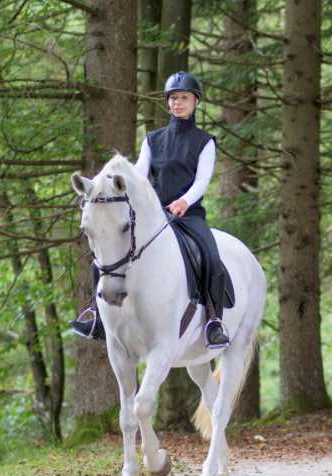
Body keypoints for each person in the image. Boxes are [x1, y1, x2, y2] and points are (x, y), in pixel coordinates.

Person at [70, 71, 230, 349]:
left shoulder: (205, 142)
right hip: (155, 218)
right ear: (168, 103)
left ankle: (214, 322)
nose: (178, 103)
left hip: (189, 216)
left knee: (211, 258)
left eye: (184, 98)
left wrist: (184, 201)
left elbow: (203, 179)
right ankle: (95, 314)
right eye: (174, 98)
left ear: (195, 102)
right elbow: (140, 176)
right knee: (107, 252)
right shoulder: (153, 140)